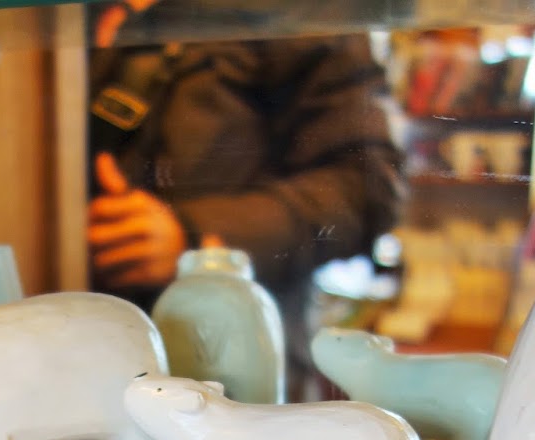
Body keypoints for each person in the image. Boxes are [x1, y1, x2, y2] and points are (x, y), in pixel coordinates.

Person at [87, 2, 404, 397]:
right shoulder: (86, 14)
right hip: (94, 358)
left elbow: (367, 188)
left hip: (241, 376)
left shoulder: (306, 13)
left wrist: (192, 238)